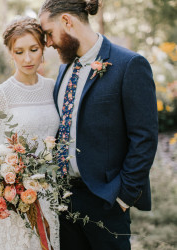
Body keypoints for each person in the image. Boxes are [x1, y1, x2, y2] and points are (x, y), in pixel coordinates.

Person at [39, 0, 158, 249]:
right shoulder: (64, 70)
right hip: (64, 204)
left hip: (106, 202)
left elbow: (144, 137)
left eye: (49, 33)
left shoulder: (130, 64)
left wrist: (123, 197)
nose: (47, 43)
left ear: (67, 21)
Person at [0, 17, 60, 250]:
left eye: (34, 50)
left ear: (43, 49)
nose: (27, 58)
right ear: (10, 53)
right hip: (16, 200)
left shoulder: (52, 88)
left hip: (50, 194)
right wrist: (8, 181)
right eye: (20, 51)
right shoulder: (1, 95)